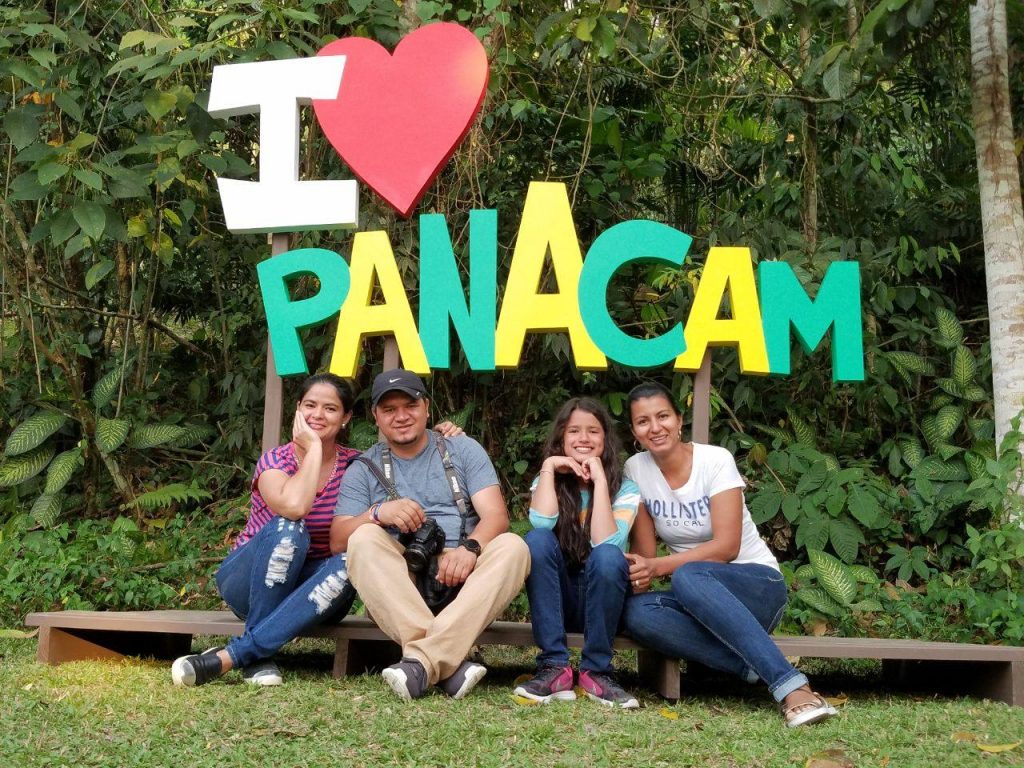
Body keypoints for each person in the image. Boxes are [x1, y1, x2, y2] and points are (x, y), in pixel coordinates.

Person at [170, 373, 461, 687]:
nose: (318, 415)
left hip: (318, 591)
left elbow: (408, 458)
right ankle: (255, 654)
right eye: (310, 405)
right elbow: (295, 507)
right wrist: (313, 451)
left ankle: (241, 655)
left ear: (346, 418)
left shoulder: (357, 465)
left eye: (330, 408)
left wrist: (440, 436)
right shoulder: (275, 461)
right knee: (289, 529)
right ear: (298, 409)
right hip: (248, 582)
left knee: (351, 559)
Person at [621, 382, 837, 727]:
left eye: (663, 416)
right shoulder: (636, 469)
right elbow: (646, 558)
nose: (655, 427)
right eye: (643, 421)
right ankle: (749, 665)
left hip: (757, 586)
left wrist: (658, 566)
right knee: (635, 612)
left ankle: (793, 687)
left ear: (679, 420)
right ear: (634, 431)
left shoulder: (715, 460)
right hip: (697, 599)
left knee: (688, 575)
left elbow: (727, 547)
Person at [332, 369, 530, 701]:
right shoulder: (363, 468)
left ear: (426, 407)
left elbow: (496, 516)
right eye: (389, 409)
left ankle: (421, 663)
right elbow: (338, 539)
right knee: (362, 538)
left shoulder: (461, 450)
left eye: (410, 405)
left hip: (464, 573)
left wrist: (469, 548)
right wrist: (377, 513)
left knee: (513, 546)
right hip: (405, 578)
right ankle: (447, 663)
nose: (401, 416)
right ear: (376, 417)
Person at [514, 398, 642, 708]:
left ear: (605, 439)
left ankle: (596, 672)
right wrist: (548, 467)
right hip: (560, 601)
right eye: (574, 431)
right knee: (538, 540)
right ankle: (554, 667)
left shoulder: (626, 489)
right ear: (561, 437)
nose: (583, 438)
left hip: (605, 604)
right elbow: (542, 523)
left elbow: (607, 543)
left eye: (593, 431)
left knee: (608, 556)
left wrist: (600, 482)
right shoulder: (546, 480)